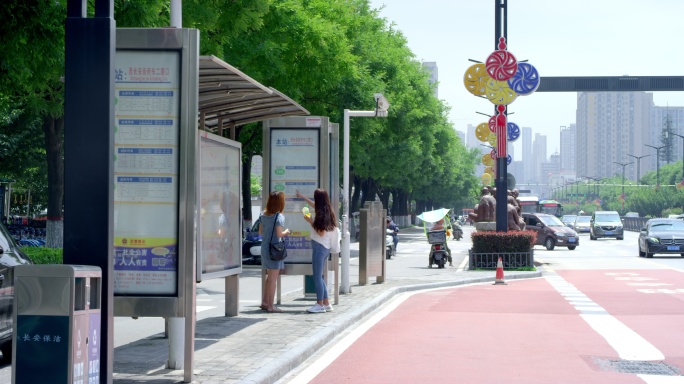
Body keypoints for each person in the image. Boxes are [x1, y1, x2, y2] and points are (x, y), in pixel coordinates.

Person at [297, 189, 338, 314]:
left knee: (317, 277)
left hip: (319, 246)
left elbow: (321, 232)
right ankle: (327, 303)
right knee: (319, 277)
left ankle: (319, 303)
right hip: (324, 247)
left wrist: (310, 221)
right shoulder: (327, 210)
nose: (313, 201)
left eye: (315, 198)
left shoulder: (320, 214)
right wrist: (302, 196)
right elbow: (313, 205)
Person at [259, 191, 291, 313]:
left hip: (265, 248)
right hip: (275, 250)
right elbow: (279, 234)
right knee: (273, 278)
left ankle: (265, 302)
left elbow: (260, 232)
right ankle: (271, 306)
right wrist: (287, 231)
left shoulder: (263, 215)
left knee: (269, 277)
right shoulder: (279, 217)